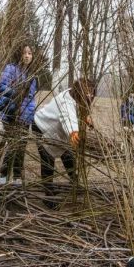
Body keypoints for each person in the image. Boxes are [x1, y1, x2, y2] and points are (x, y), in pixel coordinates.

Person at [33, 78, 95, 209]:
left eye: (91, 92)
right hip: (42, 126)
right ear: (79, 92)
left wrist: (86, 117)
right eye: (86, 93)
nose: (89, 95)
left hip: (55, 131)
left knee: (68, 156)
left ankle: (75, 184)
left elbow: (79, 110)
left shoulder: (74, 95)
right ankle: (48, 196)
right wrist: (73, 132)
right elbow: (68, 117)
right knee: (47, 161)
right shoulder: (66, 102)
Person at [0, 44, 38, 186]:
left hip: (26, 117)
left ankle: (17, 177)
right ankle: (2, 176)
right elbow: (0, 88)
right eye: (24, 52)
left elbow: (32, 98)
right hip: (12, 114)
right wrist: (15, 95)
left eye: (30, 53)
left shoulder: (33, 75)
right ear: (19, 54)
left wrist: (30, 113)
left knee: (21, 148)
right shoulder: (11, 69)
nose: (27, 56)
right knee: (12, 146)